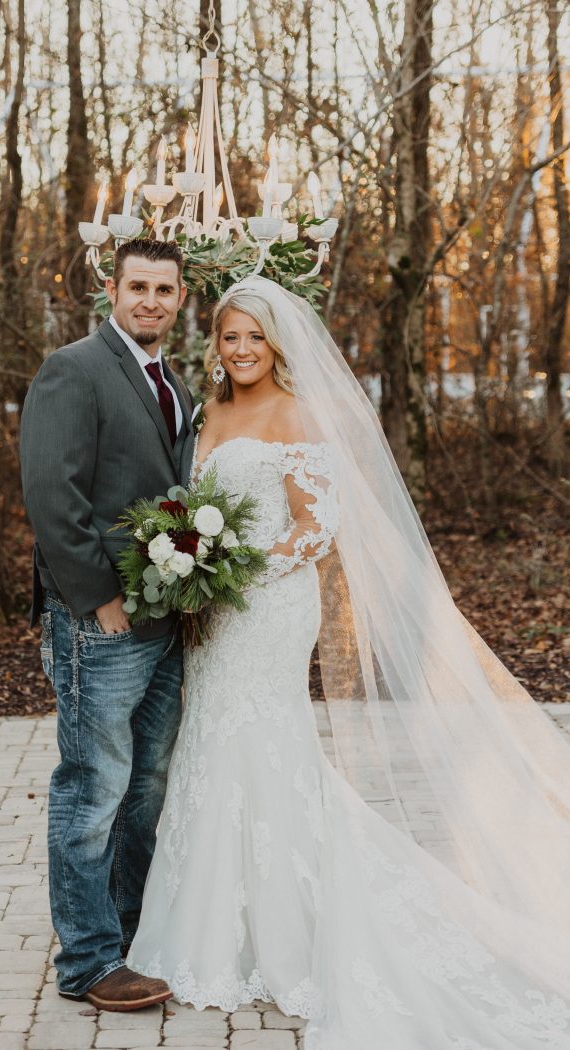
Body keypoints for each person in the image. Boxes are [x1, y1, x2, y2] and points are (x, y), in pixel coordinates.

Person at [128, 276, 570, 1048]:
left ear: (277, 345)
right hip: (211, 620)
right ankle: (211, 931)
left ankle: (294, 926)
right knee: (210, 747)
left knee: (264, 745)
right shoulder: (209, 412)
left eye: (254, 339)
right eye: (229, 337)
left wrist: (232, 566)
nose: (240, 351)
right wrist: (191, 573)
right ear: (216, 344)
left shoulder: (295, 413)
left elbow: (318, 529)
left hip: (266, 609)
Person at [19, 239, 195, 1011]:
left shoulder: (174, 384)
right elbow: (52, 497)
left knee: (147, 787)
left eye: (165, 289)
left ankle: (130, 933)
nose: (151, 300)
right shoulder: (74, 369)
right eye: (138, 287)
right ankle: (88, 962)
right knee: (93, 788)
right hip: (103, 621)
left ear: (182, 298)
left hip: (167, 621)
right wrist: (99, 600)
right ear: (111, 290)